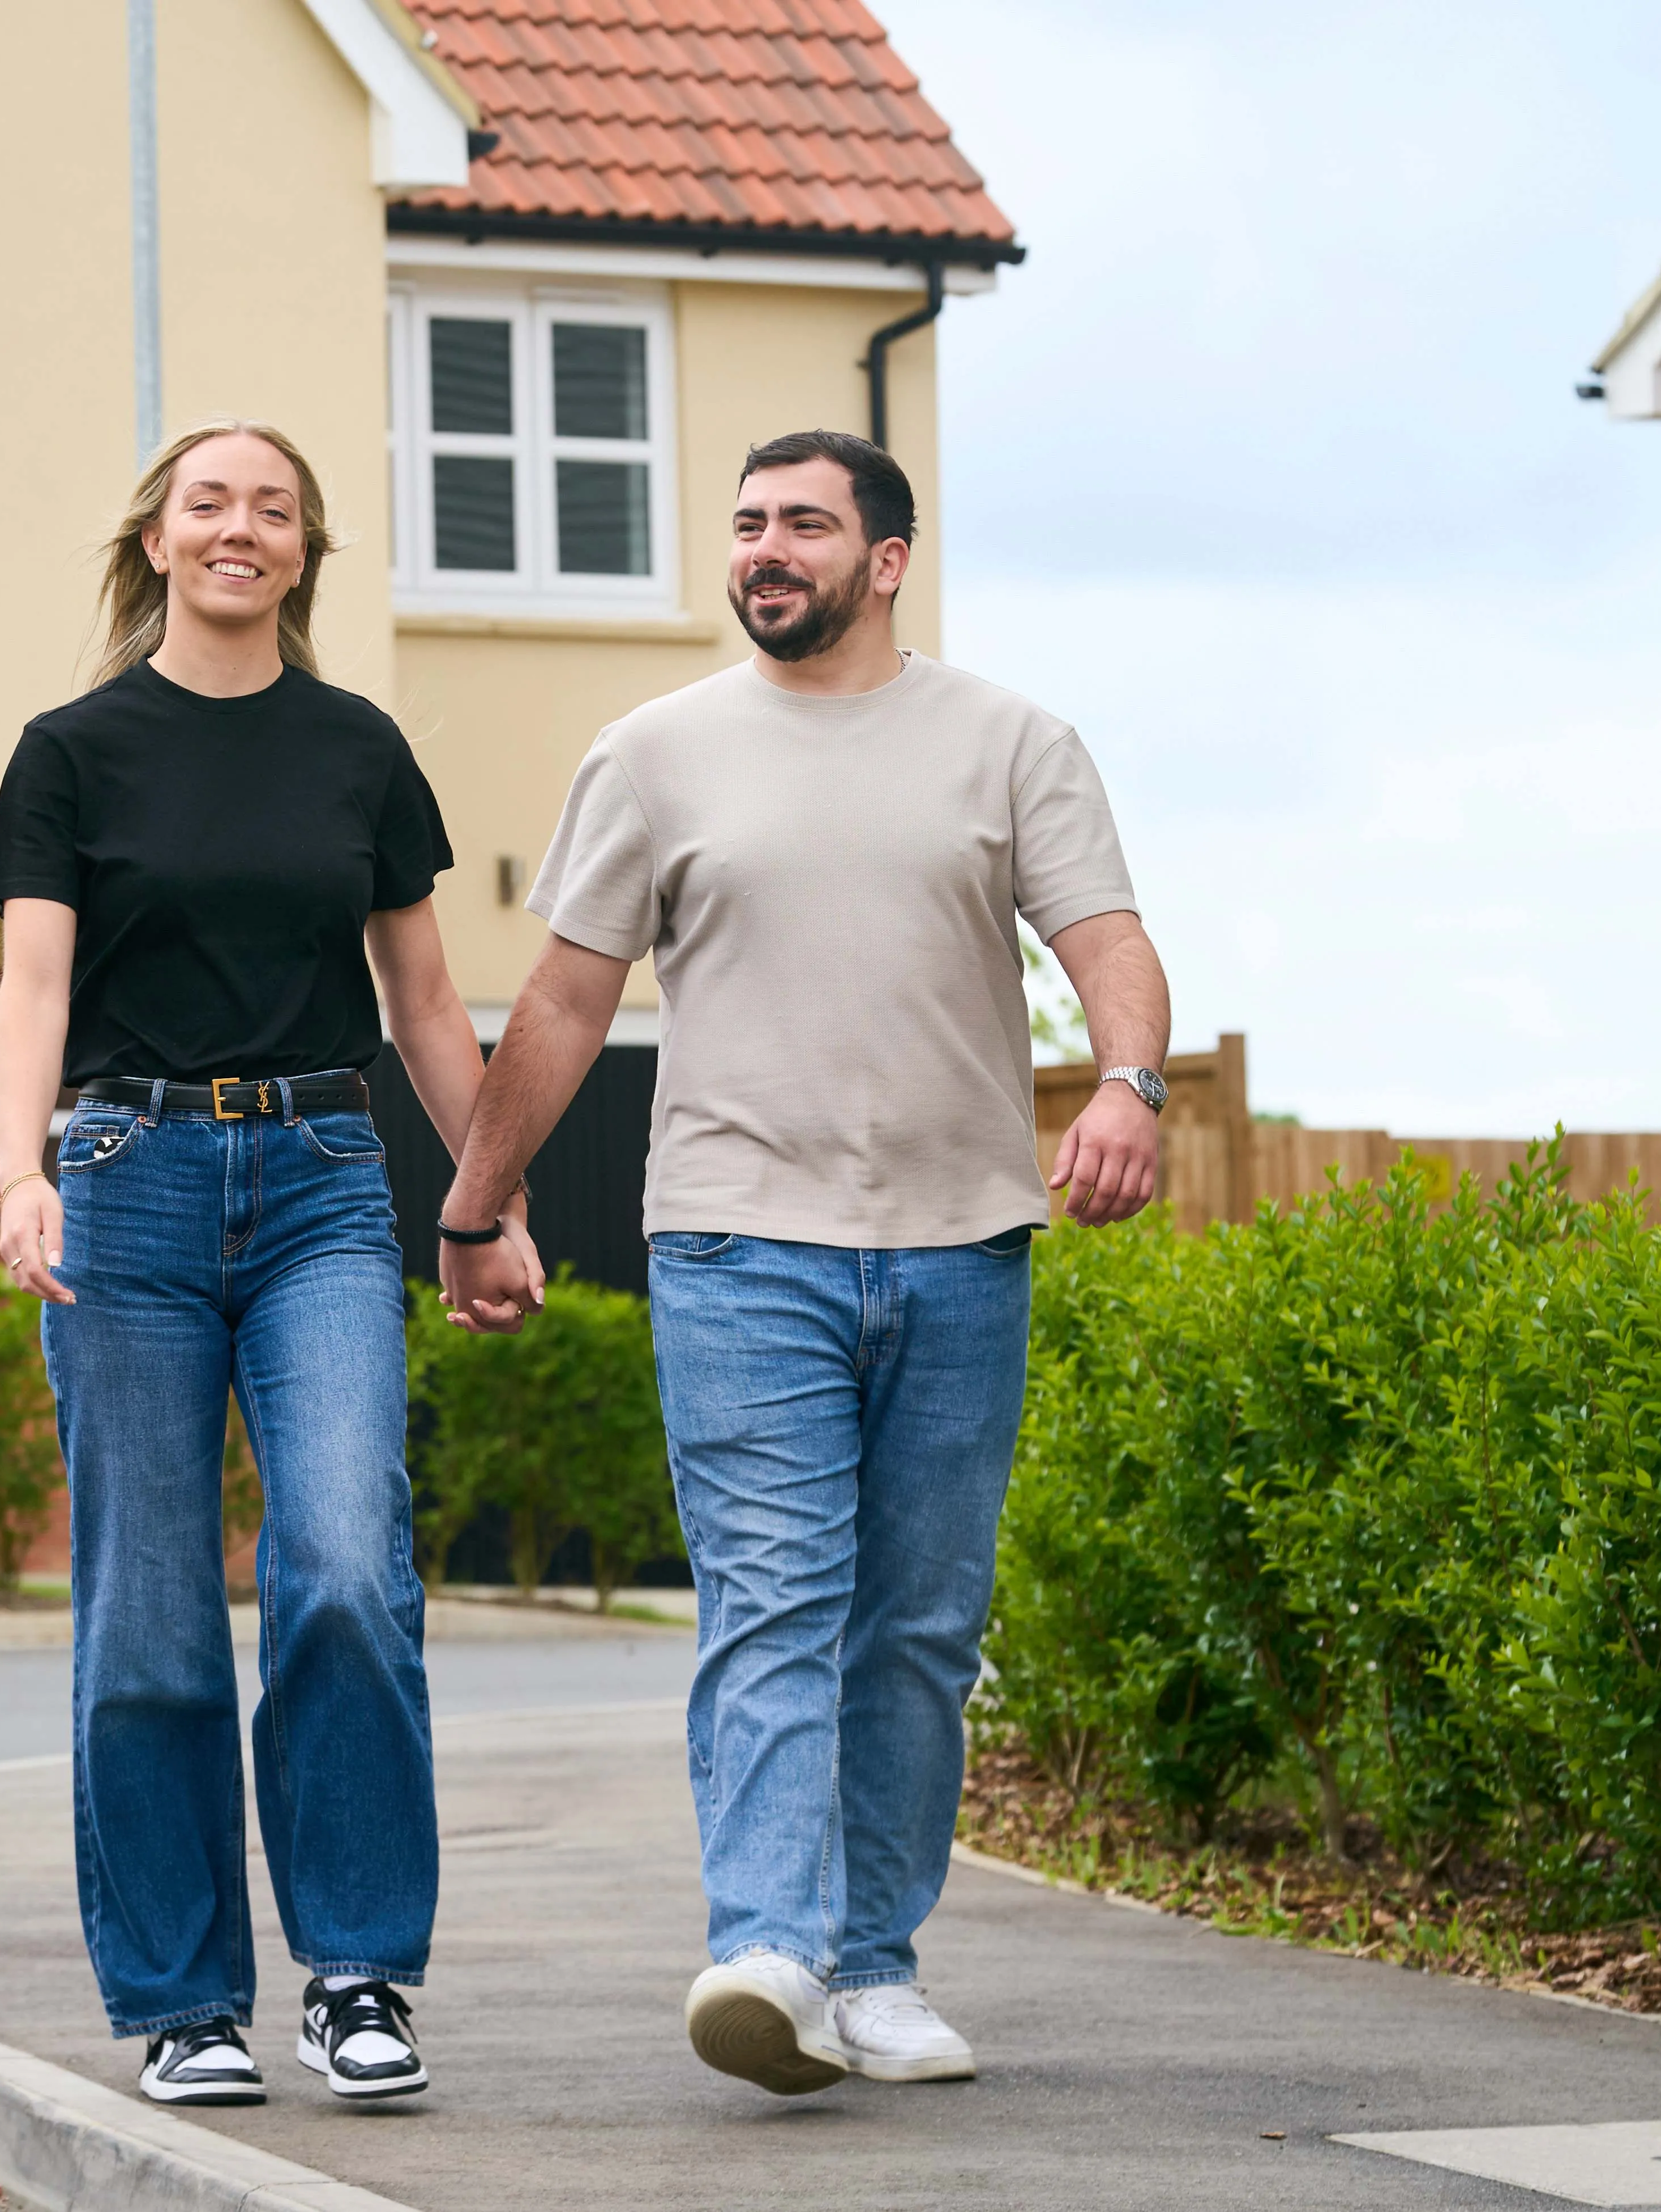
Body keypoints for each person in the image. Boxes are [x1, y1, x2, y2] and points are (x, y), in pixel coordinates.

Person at [435, 428, 1168, 2096]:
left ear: (887, 558)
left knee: (916, 1625)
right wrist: (480, 1202)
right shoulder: (655, 752)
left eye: (805, 526)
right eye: (750, 523)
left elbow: (1110, 943)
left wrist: (1130, 1084)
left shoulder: (1008, 743)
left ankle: (876, 1965)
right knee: (776, 1599)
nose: (766, 549)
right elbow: (560, 1000)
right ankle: (769, 1943)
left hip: (963, 1244)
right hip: (738, 1240)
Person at [0, 418, 540, 2110]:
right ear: (158, 538)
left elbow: (429, 1004)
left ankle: (358, 1970)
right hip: (125, 1182)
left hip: (319, 1179)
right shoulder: (71, 753)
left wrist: (491, 1194)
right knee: (148, 1611)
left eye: (273, 510)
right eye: (210, 503)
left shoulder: (357, 750)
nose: (241, 529)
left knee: (350, 1572)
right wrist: (21, 1173)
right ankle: (186, 2000)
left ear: (303, 555)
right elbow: (32, 993)